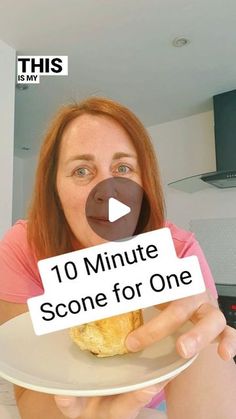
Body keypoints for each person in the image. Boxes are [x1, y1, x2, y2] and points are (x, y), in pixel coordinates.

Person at [0, 97, 235, 419]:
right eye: (82, 170)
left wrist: (197, 339)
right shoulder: (22, 248)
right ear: (53, 188)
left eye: (123, 168)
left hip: (157, 403)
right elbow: (28, 393)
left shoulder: (178, 251)